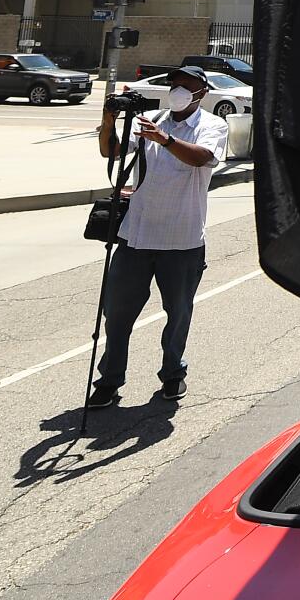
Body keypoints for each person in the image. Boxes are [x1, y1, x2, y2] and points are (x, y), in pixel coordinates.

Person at [88, 66, 228, 407]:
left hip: (182, 240)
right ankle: (109, 380)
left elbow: (203, 158)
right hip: (136, 235)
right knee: (117, 313)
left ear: (201, 93)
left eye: (186, 86)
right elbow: (112, 152)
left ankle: (172, 374)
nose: (178, 90)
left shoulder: (212, 125)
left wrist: (164, 140)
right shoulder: (151, 119)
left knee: (178, 313)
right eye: (174, 85)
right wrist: (109, 120)